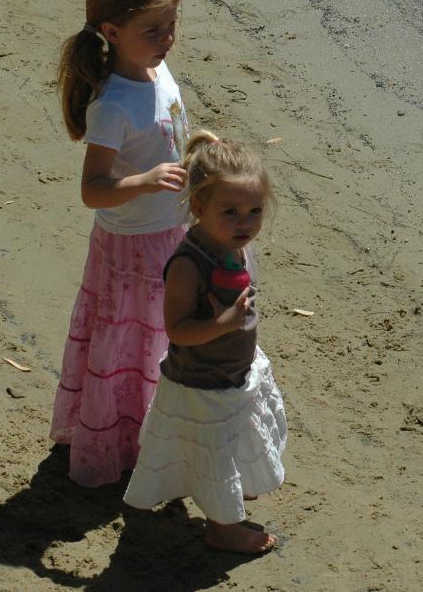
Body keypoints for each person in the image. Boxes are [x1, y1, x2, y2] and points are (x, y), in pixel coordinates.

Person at [51, 0, 191, 487]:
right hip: (131, 247)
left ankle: (150, 435)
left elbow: (170, 135)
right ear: (112, 32)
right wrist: (149, 180)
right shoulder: (112, 104)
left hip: (170, 231)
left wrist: (198, 153)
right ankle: (119, 442)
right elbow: (93, 189)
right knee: (131, 344)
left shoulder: (159, 71)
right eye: (153, 30)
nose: (167, 38)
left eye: (171, 25)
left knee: (159, 340)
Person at [124, 131, 288, 555]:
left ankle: (234, 492)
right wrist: (224, 322)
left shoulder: (236, 247)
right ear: (198, 207)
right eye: (230, 212)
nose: (245, 223)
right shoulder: (188, 263)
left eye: (254, 212)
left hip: (234, 370)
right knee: (214, 451)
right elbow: (177, 329)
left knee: (239, 438)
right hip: (201, 381)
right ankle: (223, 529)